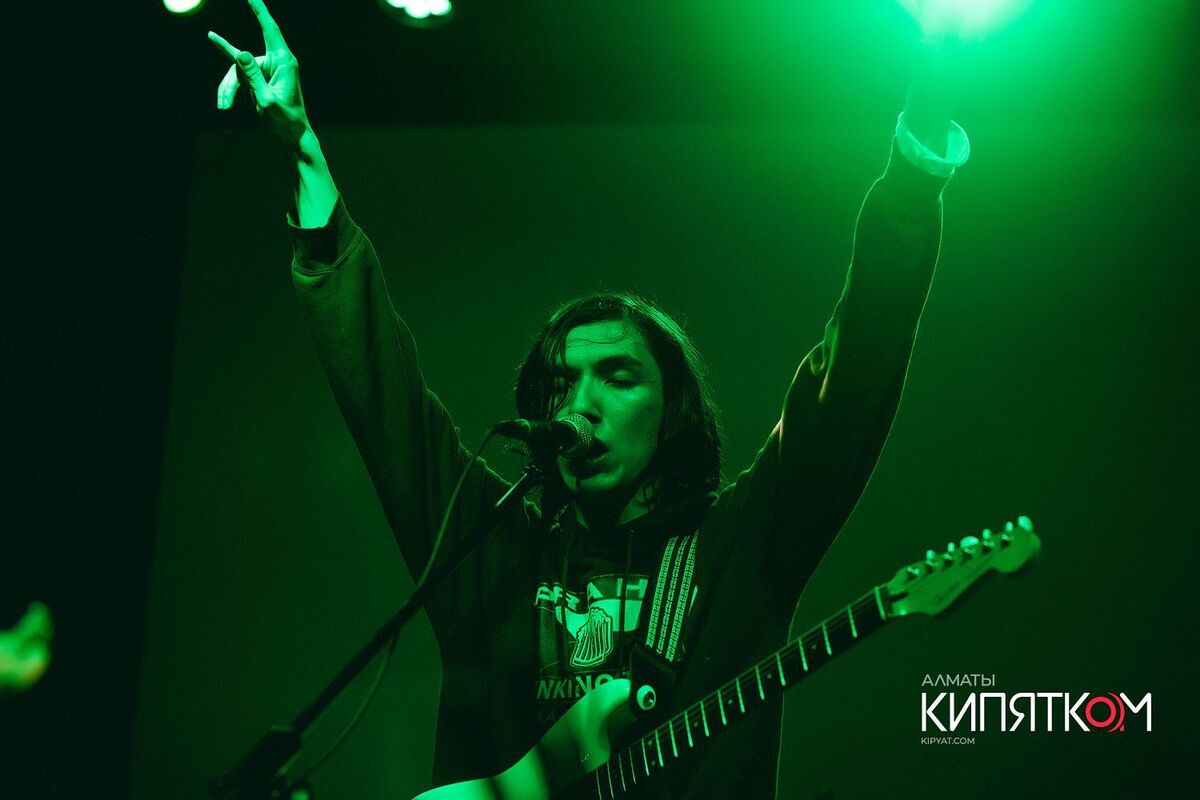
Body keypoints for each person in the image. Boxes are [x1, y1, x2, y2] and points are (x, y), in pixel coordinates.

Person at [208, 1, 970, 796]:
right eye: (561, 383)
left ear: (672, 411)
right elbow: (382, 388)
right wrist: (302, 148)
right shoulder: (493, 551)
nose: (582, 404)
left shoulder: (739, 549)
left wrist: (916, 167)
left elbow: (849, 378)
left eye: (619, 376)